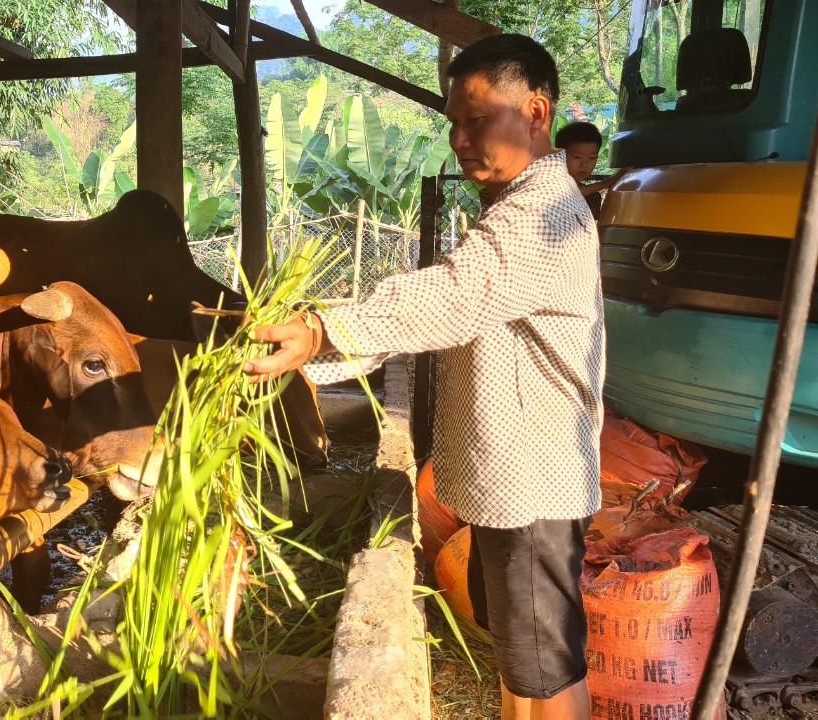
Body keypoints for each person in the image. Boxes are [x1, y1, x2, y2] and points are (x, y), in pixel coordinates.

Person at [244, 34, 603, 720]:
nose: (461, 141)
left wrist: (323, 330)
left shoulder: (544, 212)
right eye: (454, 125)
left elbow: (455, 294)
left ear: (534, 112)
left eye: (477, 121)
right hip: (512, 480)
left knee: (547, 669)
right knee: (519, 654)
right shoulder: (517, 202)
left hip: (534, 484)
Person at [555, 120, 628, 218]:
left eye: (592, 158)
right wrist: (606, 183)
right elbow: (573, 193)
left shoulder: (592, 196)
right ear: (559, 155)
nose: (584, 164)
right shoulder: (553, 181)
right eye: (577, 157)